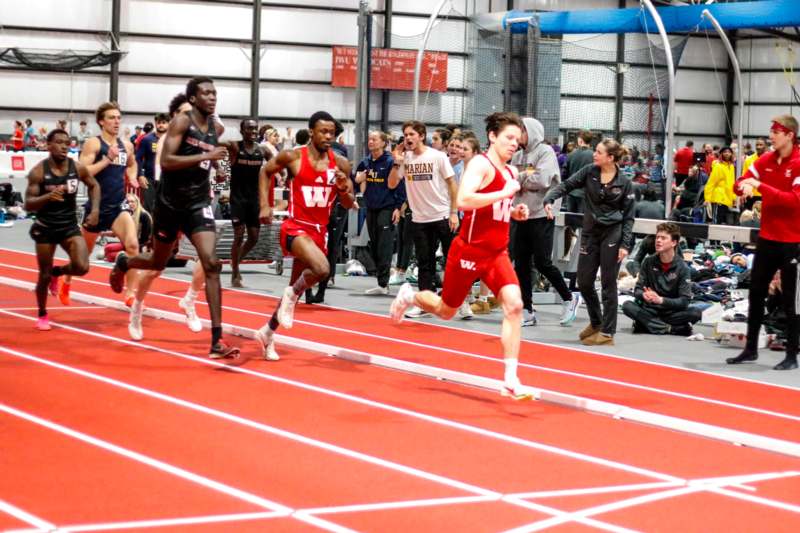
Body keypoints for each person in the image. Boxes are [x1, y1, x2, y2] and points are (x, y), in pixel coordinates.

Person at [390, 112, 532, 400]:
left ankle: (510, 378)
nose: (514, 144)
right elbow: (465, 200)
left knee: (515, 306)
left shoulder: (511, 172)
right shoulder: (481, 164)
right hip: (468, 251)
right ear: (492, 137)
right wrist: (503, 192)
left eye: (518, 140)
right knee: (446, 310)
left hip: (496, 253)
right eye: (509, 138)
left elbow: (495, 206)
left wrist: (514, 211)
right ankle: (409, 296)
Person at [108, 76, 238, 359]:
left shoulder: (215, 128)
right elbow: (167, 162)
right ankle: (125, 262)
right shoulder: (181, 124)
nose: (212, 97)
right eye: (206, 93)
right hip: (169, 205)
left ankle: (216, 340)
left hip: (198, 204)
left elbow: (215, 162)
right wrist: (208, 154)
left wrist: (220, 170)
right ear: (193, 99)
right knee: (157, 262)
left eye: (215, 93)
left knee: (212, 263)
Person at [249, 111, 355, 363]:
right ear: (311, 133)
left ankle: (267, 333)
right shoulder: (293, 157)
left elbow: (349, 203)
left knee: (293, 290)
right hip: (295, 228)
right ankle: (290, 297)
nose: (329, 136)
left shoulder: (340, 164)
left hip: (319, 233)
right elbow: (265, 171)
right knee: (322, 268)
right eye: (323, 132)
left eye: (332, 132)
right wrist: (264, 204)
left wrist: (342, 189)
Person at [543, 139, 635, 346]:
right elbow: (566, 185)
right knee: (583, 282)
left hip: (613, 234)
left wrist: (625, 245)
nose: (595, 154)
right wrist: (548, 199)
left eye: (599, 152)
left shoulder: (625, 182)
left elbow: (629, 217)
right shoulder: (589, 172)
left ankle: (608, 332)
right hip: (590, 233)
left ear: (610, 158)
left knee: (608, 284)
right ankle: (596, 322)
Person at [729, 115, 800, 371]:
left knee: (790, 299)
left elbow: (793, 200)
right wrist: (743, 187)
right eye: (771, 131)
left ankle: (792, 354)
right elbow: (741, 183)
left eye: (776, 132)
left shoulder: (799, 163)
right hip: (767, 239)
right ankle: (750, 350)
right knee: (756, 293)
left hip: (792, 242)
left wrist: (760, 186)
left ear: (790, 135)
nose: (771, 136)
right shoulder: (766, 160)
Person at [59, 102, 141, 306]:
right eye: (112, 118)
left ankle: (131, 294)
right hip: (96, 208)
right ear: (101, 122)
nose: (116, 121)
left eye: (119, 117)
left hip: (118, 206)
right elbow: (81, 172)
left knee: (132, 245)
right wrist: (106, 160)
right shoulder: (93, 144)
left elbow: (132, 163)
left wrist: (132, 177)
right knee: (82, 260)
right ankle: (65, 279)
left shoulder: (127, 145)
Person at [24, 129, 100, 330]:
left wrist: (95, 210)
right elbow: (28, 204)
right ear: (48, 145)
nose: (64, 146)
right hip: (45, 228)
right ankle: (42, 313)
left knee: (82, 267)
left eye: (67, 142)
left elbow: (94, 186)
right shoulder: (39, 171)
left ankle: (58, 272)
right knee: (43, 275)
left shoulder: (77, 168)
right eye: (59, 142)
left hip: (68, 226)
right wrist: (48, 197)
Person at [511, 116, 581, 327]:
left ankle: (569, 298)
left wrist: (521, 177)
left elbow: (542, 180)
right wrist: (525, 177)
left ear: (530, 131)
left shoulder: (545, 152)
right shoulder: (517, 155)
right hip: (521, 215)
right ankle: (527, 310)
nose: (516, 135)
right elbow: (510, 179)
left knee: (542, 262)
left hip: (542, 215)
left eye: (520, 131)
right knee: (521, 264)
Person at [388, 120, 460, 318]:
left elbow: (453, 185)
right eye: (405, 135)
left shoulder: (437, 157)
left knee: (452, 260)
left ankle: (459, 300)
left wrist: (454, 212)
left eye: (412, 134)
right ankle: (425, 303)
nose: (408, 138)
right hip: (419, 219)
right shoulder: (405, 159)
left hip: (442, 215)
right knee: (424, 262)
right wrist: (396, 162)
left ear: (421, 136)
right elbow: (392, 184)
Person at [622, 222, 701, 335]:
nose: (658, 240)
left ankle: (648, 325)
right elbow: (637, 291)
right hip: (650, 309)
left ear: (674, 242)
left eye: (663, 238)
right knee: (627, 306)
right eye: (657, 237)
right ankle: (670, 329)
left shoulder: (683, 268)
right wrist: (643, 295)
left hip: (671, 312)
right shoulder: (648, 262)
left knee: (696, 313)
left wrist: (661, 300)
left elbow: (684, 301)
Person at [355, 130, 404, 295]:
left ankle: (384, 284)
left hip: (387, 208)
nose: (370, 142)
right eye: (369, 139)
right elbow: (356, 179)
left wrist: (398, 207)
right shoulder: (366, 162)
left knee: (384, 246)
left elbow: (400, 185)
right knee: (374, 245)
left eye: (374, 139)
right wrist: (358, 180)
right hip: (371, 207)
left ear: (383, 143)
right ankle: (381, 282)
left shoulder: (390, 161)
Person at [224, 118, 269, 287]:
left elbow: (276, 164)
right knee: (238, 235)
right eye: (249, 129)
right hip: (237, 198)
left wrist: (284, 174)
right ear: (242, 131)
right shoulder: (235, 147)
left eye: (255, 129)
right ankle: (235, 273)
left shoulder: (263, 151)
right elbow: (214, 145)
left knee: (254, 238)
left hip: (254, 199)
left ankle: (235, 261)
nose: (253, 131)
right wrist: (219, 167)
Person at [135, 113, 169, 213]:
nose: (161, 125)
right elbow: (138, 158)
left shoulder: (172, 140)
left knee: (165, 210)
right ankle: (148, 228)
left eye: (164, 123)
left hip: (167, 180)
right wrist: (140, 175)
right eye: (159, 123)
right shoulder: (147, 139)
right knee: (148, 209)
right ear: (155, 123)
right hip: (149, 180)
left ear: (169, 124)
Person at [704, 145, 736, 225]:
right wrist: (707, 198)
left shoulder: (731, 166)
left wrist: (734, 197)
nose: (727, 154)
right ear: (721, 154)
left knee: (722, 223)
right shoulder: (718, 166)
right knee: (716, 222)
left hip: (727, 199)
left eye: (729, 152)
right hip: (718, 198)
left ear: (732, 154)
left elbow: (732, 183)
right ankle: (713, 238)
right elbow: (711, 183)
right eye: (725, 152)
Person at [740, 137, 768, 210]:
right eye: (757, 145)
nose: (758, 147)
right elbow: (744, 177)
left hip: (765, 194)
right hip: (751, 194)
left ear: (766, 146)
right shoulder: (748, 160)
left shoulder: (771, 159)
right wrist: (743, 192)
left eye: (761, 145)